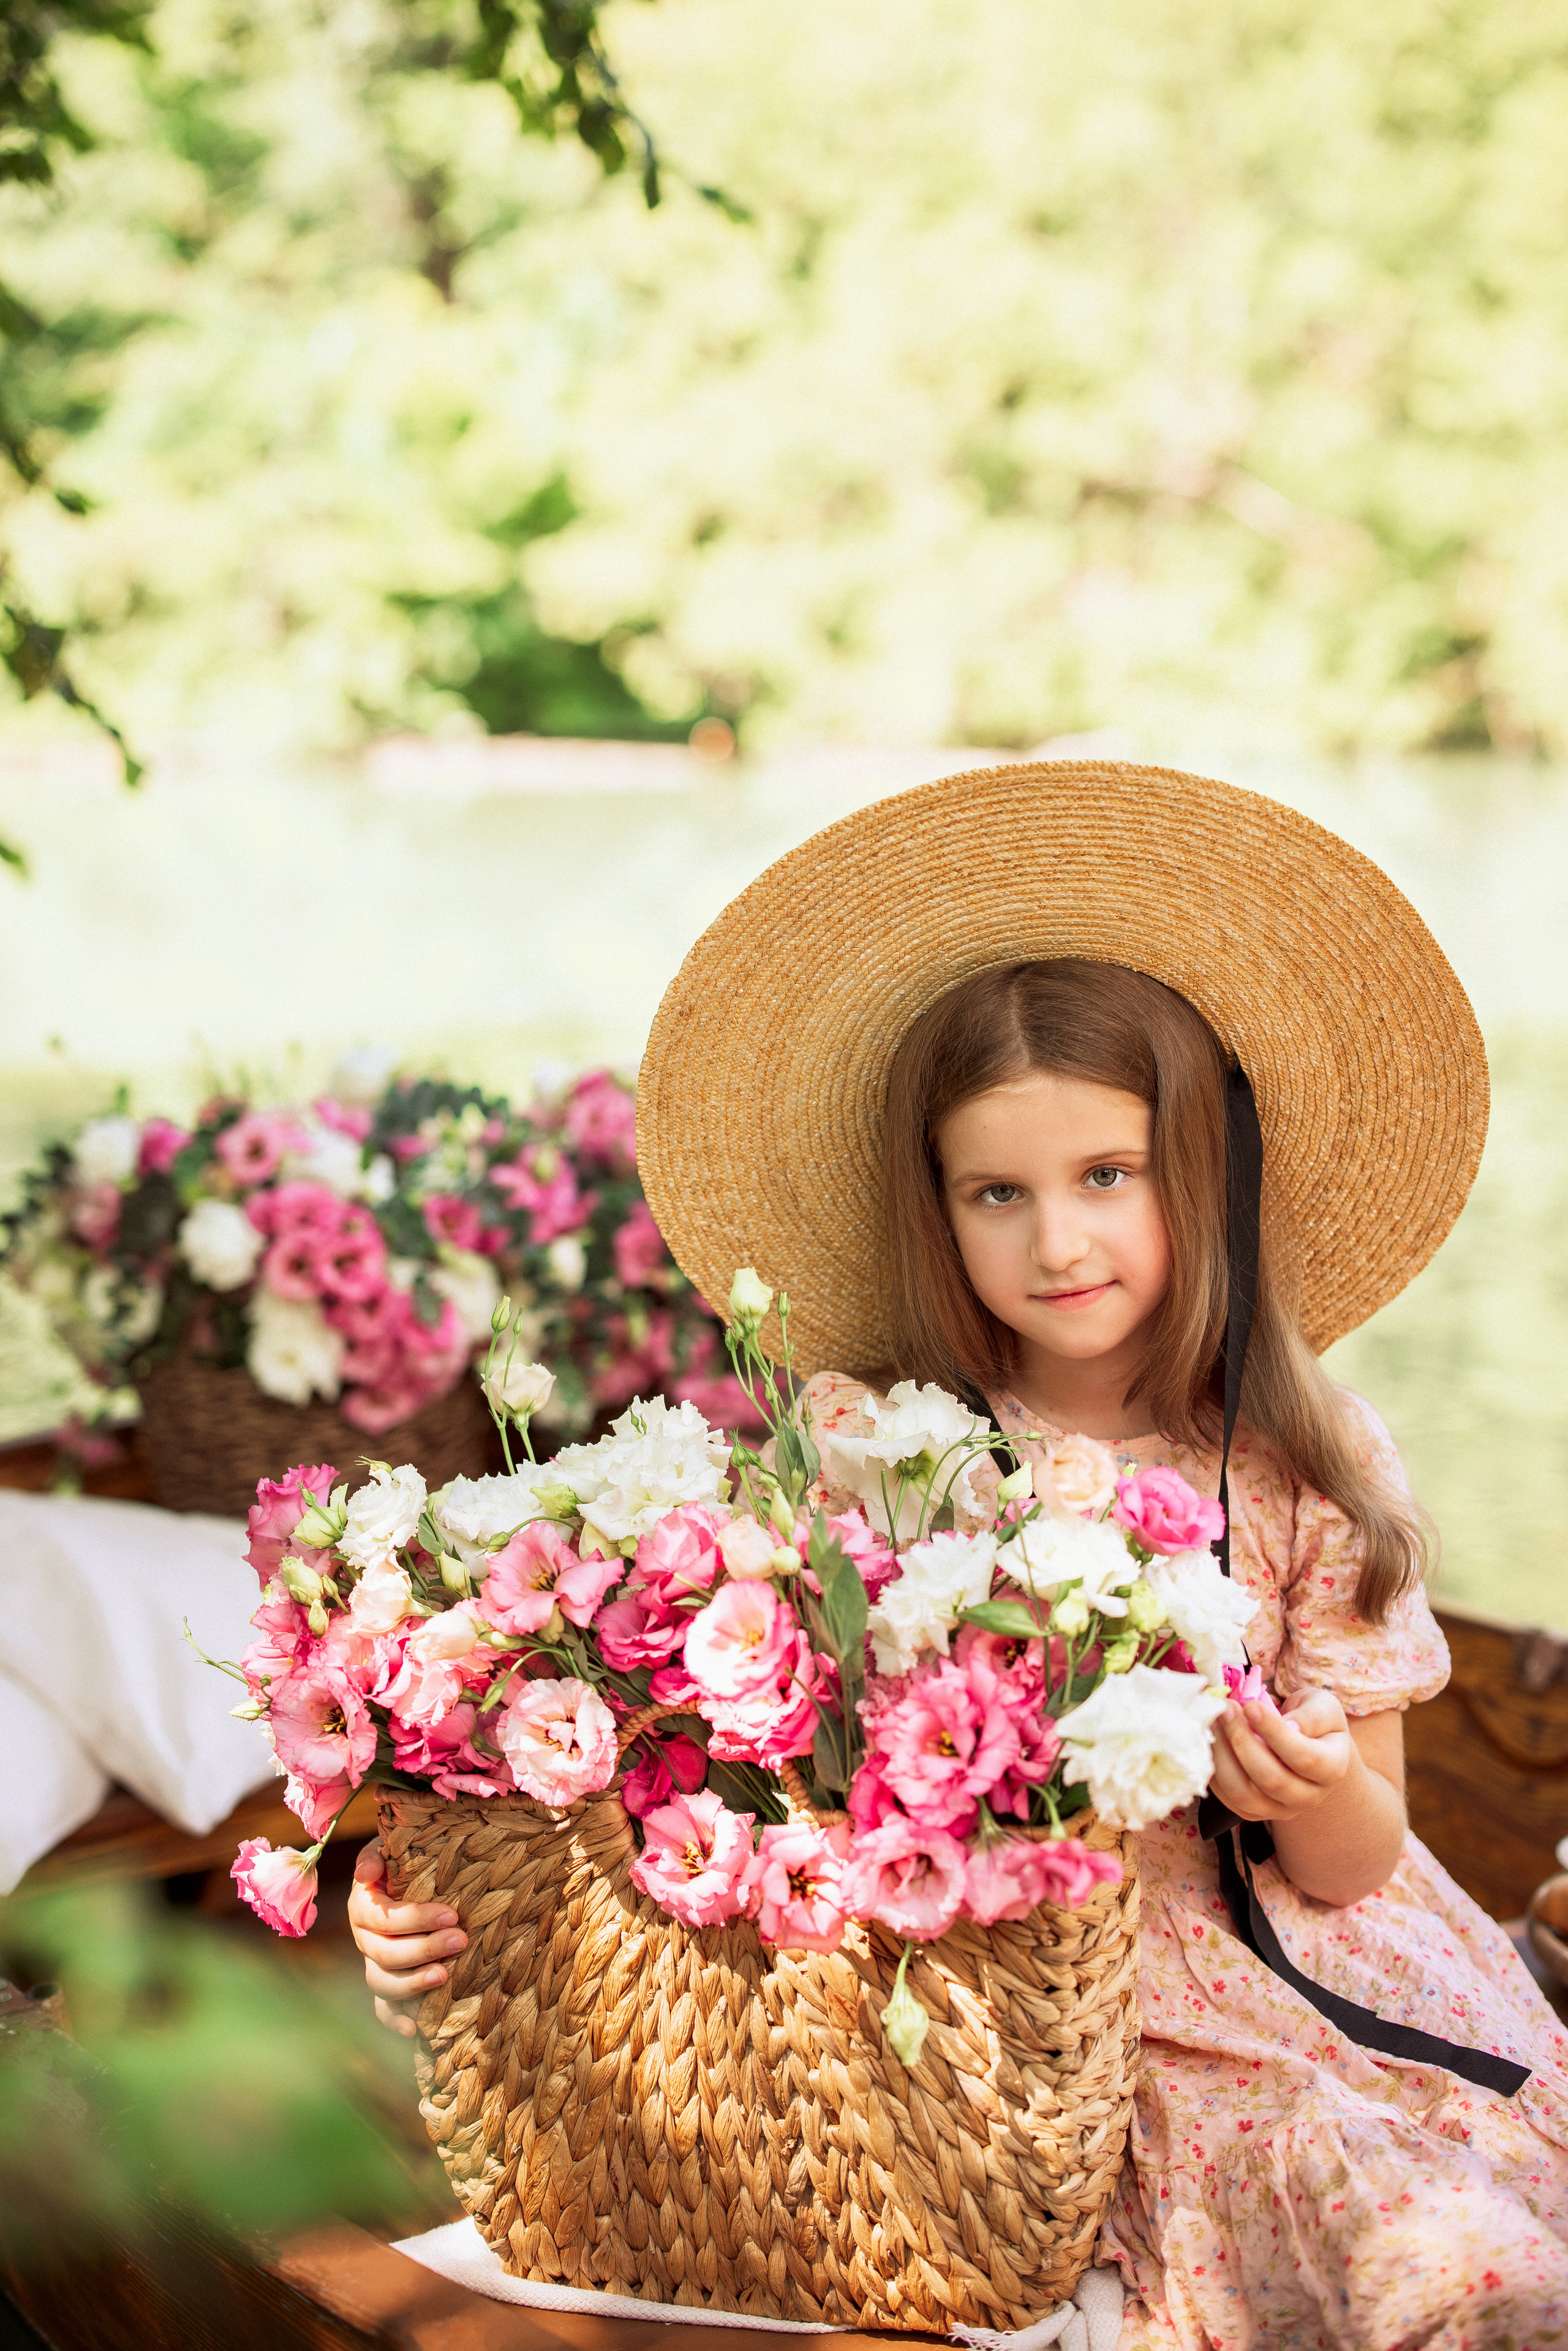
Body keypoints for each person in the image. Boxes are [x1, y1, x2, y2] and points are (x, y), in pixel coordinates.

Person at [351, 761, 1568, 2346]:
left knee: (1468, 2230)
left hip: (1300, 1971)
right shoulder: (882, 1447)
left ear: (1205, 1175)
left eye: (1107, 1178)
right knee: (1412, 2246)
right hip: (1019, 2008)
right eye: (999, 1192)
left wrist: (1320, 1791)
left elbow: (1359, 1865)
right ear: (938, 1207)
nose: (1056, 1242)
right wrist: (446, 1908)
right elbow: (706, 1756)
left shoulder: (1305, 1465)